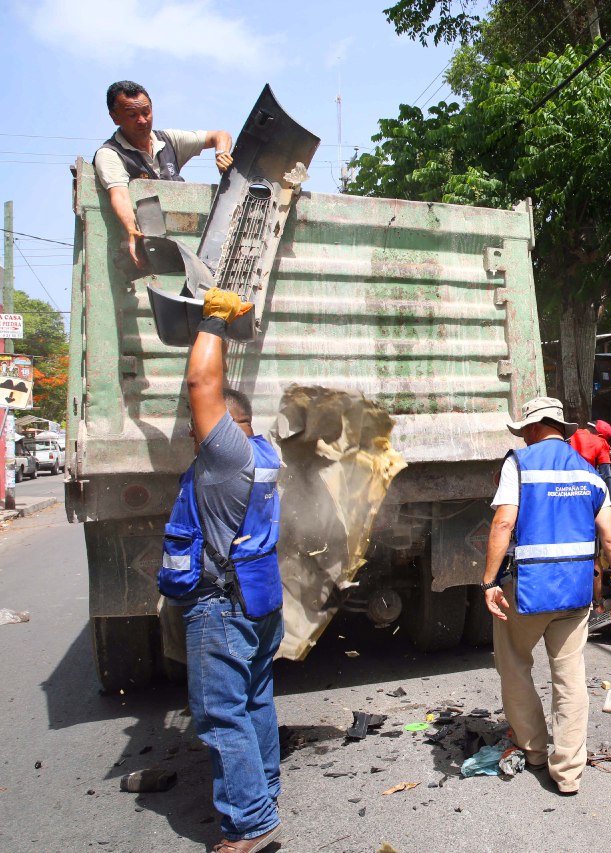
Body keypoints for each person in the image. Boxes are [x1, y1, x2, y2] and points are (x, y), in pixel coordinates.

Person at [157, 287, 284, 853]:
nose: (193, 431)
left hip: (222, 606)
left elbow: (201, 386)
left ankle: (249, 825)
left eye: (200, 426)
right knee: (255, 698)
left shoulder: (228, 456)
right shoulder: (263, 454)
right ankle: (265, 796)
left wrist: (212, 321)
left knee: (219, 714)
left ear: (225, 429)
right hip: (257, 600)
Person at [482, 397, 611, 795]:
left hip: (529, 592)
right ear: (561, 429)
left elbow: (502, 524)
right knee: (570, 679)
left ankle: (533, 750)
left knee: (514, 664)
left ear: (532, 429)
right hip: (575, 595)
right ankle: (567, 772)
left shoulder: (519, 463)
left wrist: (489, 582)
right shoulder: (589, 473)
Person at [93, 80, 234, 268]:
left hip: (187, 250)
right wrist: (131, 230)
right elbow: (119, 195)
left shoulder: (169, 140)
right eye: (132, 115)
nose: (142, 120)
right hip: (149, 257)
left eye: (146, 112)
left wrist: (221, 152)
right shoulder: (110, 154)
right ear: (115, 117)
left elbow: (220, 135)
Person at [569, 419, 611, 609]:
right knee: (593, 554)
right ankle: (597, 603)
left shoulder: (570, 435)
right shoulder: (601, 444)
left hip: (563, 497)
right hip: (587, 501)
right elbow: (607, 477)